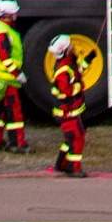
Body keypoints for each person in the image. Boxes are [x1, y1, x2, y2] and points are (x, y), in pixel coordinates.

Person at [0, 0, 27, 152]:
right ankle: (17, 144)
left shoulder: (0, 28)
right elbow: (5, 58)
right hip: (5, 79)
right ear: (8, 15)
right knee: (13, 112)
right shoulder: (3, 32)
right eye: (14, 13)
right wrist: (18, 74)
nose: (16, 15)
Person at [47, 33, 87, 177]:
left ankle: (62, 164)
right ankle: (74, 168)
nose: (72, 46)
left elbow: (78, 70)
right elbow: (67, 90)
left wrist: (89, 59)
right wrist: (79, 86)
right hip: (67, 112)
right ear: (64, 50)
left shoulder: (69, 62)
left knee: (71, 138)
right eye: (70, 45)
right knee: (77, 138)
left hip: (70, 111)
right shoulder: (63, 70)